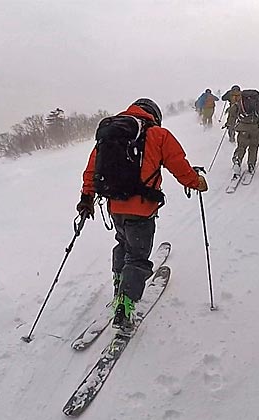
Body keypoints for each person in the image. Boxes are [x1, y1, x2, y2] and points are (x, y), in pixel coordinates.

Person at [75, 98, 208, 332]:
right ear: (154, 115)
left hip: (115, 206)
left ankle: (119, 283)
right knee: (138, 257)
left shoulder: (110, 135)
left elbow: (91, 171)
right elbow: (179, 165)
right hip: (142, 208)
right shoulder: (158, 135)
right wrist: (195, 181)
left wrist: (86, 199)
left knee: (123, 243)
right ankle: (125, 306)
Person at [226, 89, 259, 176]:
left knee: (241, 146)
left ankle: (237, 160)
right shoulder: (258, 104)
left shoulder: (239, 104)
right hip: (255, 129)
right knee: (253, 146)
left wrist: (229, 124)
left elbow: (232, 113)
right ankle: (251, 164)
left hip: (242, 129)